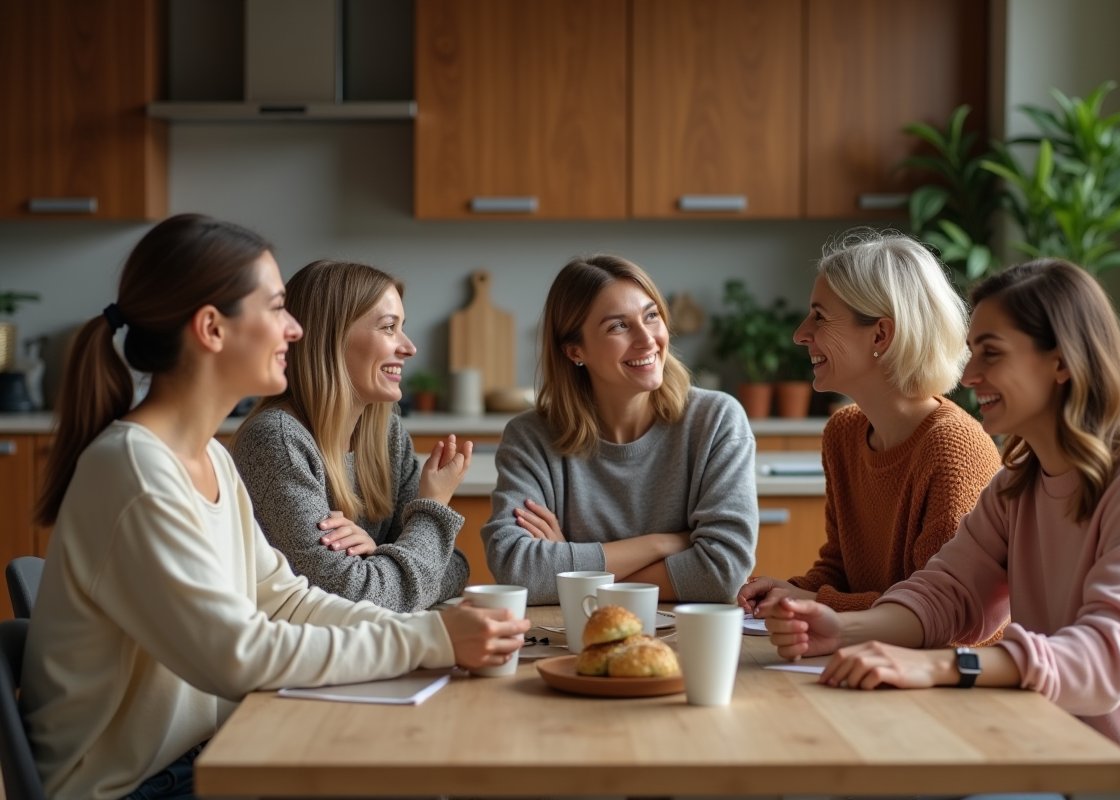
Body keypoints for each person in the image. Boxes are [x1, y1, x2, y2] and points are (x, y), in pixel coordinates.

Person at [22, 215, 528, 800]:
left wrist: (429, 627)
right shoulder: (135, 470)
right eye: (277, 308)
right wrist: (430, 641)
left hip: (205, 754)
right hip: (135, 786)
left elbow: (286, 598)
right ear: (212, 328)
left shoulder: (209, 457)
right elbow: (236, 655)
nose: (294, 330)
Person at [764, 259, 1120, 800]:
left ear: (1060, 362)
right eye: (973, 353)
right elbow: (950, 592)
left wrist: (942, 667)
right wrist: (844, 629)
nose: (969, 377)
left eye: (991, 354)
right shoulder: (1020, 480)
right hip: (1044, 751)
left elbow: (1104, 663)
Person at [738, 230, 1002, 616]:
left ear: (881, 334)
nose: (800, 335)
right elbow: (840, 570)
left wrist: (815, 601)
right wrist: (789, 590)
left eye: (819, 317)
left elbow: (946, 614)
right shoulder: (843, 432)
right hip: (863, 654)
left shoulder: (953, 450)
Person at [482, 254, 757, 605]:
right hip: (574, 637)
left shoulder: (716, 420)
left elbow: (722, 575)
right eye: (618, 326)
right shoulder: (531, 437)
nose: (647, 339)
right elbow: (516, 570)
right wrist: (666, 542)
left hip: (682, 641)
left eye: (651, 316)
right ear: (575, 350)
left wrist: (573, 571)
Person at [232, 260, 470, 613]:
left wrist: (377, 556)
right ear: (332, 338)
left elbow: (455, 566)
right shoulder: (276, 442)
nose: (408, 347)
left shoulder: (385, 430)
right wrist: (431, 511)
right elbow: (356, 600)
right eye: (389, 328)